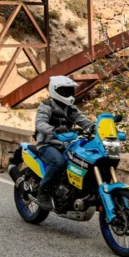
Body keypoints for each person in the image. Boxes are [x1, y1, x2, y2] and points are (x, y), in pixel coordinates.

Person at [33, 76, 95, 211]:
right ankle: (43, 192)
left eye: (70, 91)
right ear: (56, 91)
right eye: (65, 91)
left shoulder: (71, 108)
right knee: (58, 162)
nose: (69, 94)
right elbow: (40, 123)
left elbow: (83, 121)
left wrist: (96, 128)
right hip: (48, 144)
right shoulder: (47, 106)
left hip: (67, 144)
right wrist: (53, 129)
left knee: (85, 160)